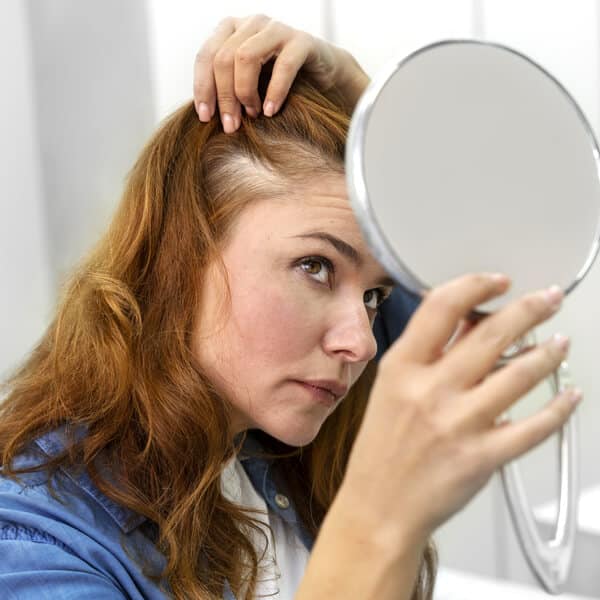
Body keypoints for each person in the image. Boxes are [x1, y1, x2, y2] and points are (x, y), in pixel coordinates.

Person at [0, 15, 580, 600]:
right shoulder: (37, 549)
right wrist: (377, 526)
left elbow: (481, 269)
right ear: (179, 258)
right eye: (316, 267)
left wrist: (370, 111)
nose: (363, 342)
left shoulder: (270, 438)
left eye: (375, 295)